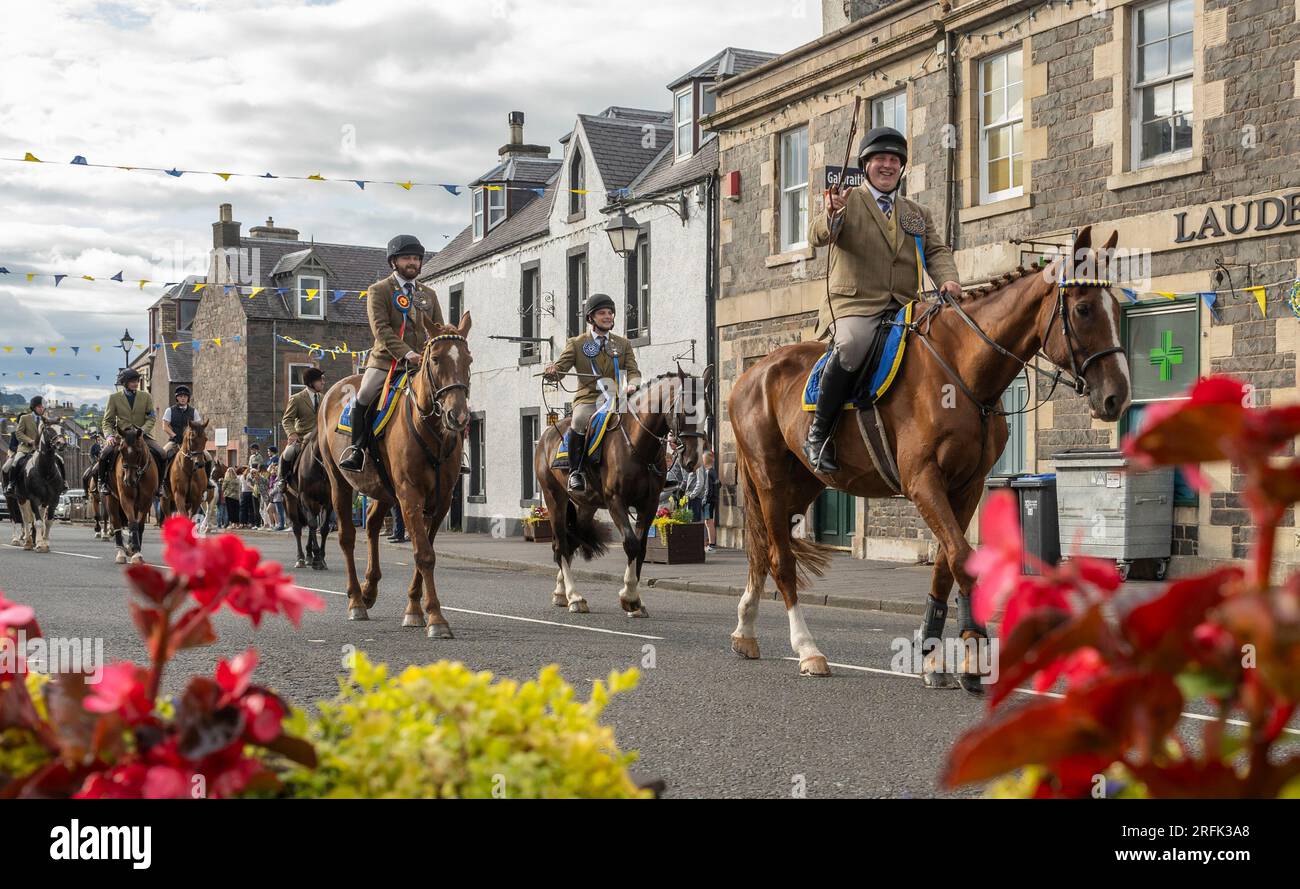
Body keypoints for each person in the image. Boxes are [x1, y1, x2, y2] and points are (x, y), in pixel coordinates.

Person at [804, 126, 961, 473]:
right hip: (855, 305)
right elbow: (819, 234)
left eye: (894, 160)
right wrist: (831, 212)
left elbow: (936, 251)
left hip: (906, 304)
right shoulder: (847, 200)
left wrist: (948, 280)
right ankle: (819, 433)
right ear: (866, 165)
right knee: (852, 346)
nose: (888, 165)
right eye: (880, 159)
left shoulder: (915, 212)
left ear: (901, 167)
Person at [340, 234, 443, 472]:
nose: (413, 263)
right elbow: (381, 329)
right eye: (407, 258)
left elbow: (437, 329)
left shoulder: (428, 294)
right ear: (393, 262)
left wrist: (432, 353)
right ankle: (357, 449)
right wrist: (406, 353)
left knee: (449, 396)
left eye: (416, 258)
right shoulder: (379, 290)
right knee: (364, 394)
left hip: (422, 364)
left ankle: (454, 453)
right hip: (386, 361)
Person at [543, 293, 642, 492]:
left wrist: (633, 384)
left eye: (610, 313)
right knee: (578, 420)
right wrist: (552, 372)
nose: (608, 317)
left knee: (646, 419)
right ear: (591, 318)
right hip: (589, 400)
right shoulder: (577, 343)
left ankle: (654, 468)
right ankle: (575, 471)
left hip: (616, 398)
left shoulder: (622, 344)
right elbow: (561, 369)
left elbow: (633, 371)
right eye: (602, 313)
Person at [97, 368, 164, 491]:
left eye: (137, 381)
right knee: (104, 454)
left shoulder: (146, 397)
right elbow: (107, 421)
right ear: (124, 383)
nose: (136, 383)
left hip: (141, 435)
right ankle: (103, 483)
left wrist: (143, 430)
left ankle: (160, 485)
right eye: (133, 381)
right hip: (122, 436)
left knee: (162, 453)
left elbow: (151, 418)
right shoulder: (114, 398)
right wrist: (109, 436)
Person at [280, 367, 325, 489]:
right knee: (287, 453)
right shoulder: (297, 399)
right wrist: (292, 434)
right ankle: (282, 480)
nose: (323, 382)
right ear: (311, 383)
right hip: (302, 437)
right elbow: (287, 420)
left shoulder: (324, 398)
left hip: (321, 436)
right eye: (320, 380)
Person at [2, 396, 47, 499]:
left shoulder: (45, 420)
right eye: (39, 407)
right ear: (34, 407)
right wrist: (29, 441)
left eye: (43, 407)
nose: (42, 409)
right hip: (26, 449)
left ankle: (62, 484)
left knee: (58, 460)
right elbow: (18, 433)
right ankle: (11, 484)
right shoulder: (25, 418)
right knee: (15, 462)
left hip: (41, 450)